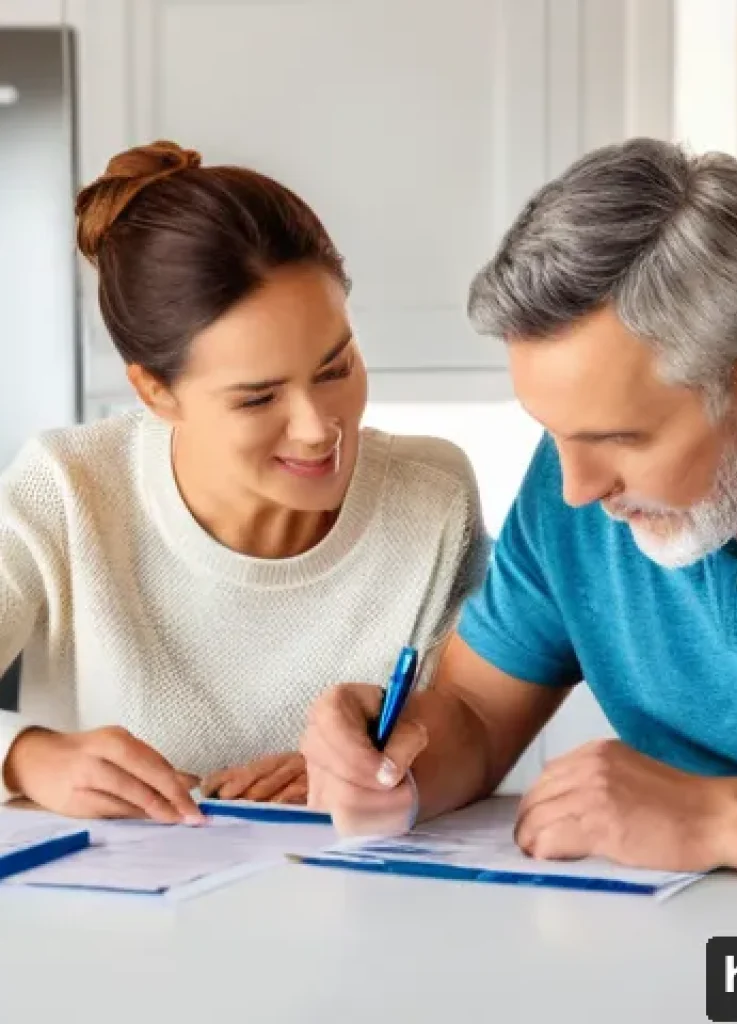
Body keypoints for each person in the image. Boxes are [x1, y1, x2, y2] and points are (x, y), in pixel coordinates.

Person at [302, 138, 737, 935]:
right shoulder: (576, 478)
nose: (577, 488)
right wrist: (394, 764)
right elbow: (473, 710)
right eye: (553, 433)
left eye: (621, 438)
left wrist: (713, 819)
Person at [0, 141, 486, 823]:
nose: (318, 427)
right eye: (258, 399)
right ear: (154, 392)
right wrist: (26, 755)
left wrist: (367, 770)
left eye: (335, 368)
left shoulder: (433, 497)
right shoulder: (68, 489)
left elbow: (469, 724)